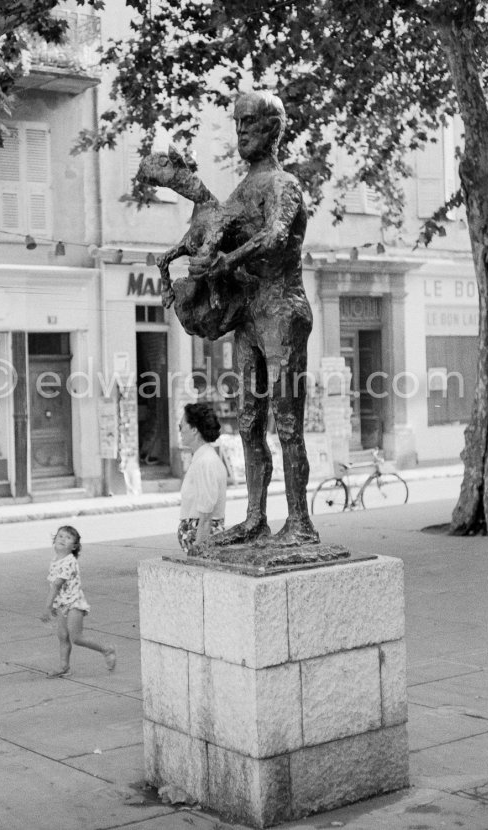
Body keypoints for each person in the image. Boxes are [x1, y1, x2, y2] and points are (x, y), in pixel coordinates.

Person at [188, 90, 319, 547]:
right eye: (237, 123)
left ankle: (300, 522)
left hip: (282, 311)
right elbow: (218, 229)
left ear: (273, 129)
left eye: (250, 123)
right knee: (247, 421)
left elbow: (277, 236)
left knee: (287, 423)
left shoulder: (283, 184)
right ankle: (255, 518)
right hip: (249, 315)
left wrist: (227, 260)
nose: (241, 131)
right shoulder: (241, 190)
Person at [41, 526, 116, 677]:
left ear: (74, 546)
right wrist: (55, 604)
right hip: (62, 603)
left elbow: (57, 585)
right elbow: (55, 586)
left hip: (74, 603)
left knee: (76, 637)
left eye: (68, 538)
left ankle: (106, 649)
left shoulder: (69, 561)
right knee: (62, 635)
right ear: (54, 540)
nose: (63, 539)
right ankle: (64, 667)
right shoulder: (56, 560)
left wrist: (47, 607)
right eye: (60, 536)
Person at [177, 403, 227, 554]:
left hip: (201, 539)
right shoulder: (201, 459)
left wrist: (198, 549)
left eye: (181, 426)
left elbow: (206, 516)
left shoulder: (206, 462)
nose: (180, 431)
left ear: (194, 430)